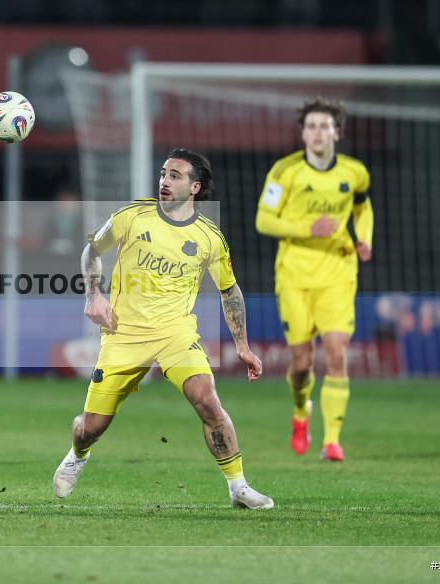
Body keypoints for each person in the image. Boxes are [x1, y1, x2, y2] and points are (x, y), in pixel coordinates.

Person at [52, 148, 274, 510]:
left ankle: (238, 486)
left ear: (195, 187)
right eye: (163, 174)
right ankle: (78, 454)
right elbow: (92, 252)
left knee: (207, 399)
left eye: (175, 176)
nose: (165, 182)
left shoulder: (209, 237)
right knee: (91, 426)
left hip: (176, 334)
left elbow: (228, 289)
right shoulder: (132, 215)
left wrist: (243, 345)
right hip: (124, 333)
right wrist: (93, 296)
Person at [255, 98, 374, 462]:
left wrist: (365, 237)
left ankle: (333, 440)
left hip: (338, 271)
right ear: (303, 133)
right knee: (302, 363)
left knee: (337, 353)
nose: (317, 133)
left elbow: (362, 206)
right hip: (294, 275)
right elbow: (264, 220)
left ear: (337, 132)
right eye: (311, 127)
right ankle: (300, 411)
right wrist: (309, 228)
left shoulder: (354, 172)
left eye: (324, 126)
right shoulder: (284, 171)